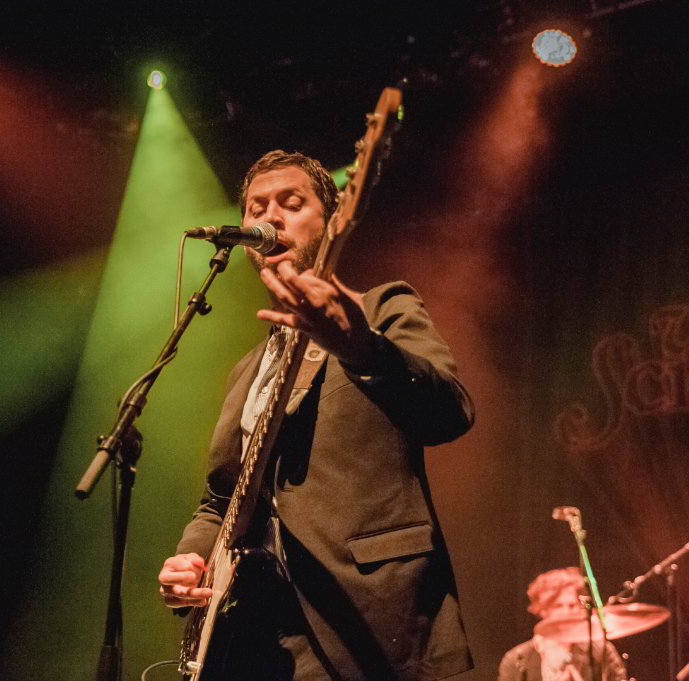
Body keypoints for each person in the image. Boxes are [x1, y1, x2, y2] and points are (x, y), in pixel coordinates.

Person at [158, 150, 475, 680]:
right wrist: (191, 560)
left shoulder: (380, 309)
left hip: (370, 619)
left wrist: (361, 349)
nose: (271, 217)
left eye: (291, 203)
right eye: (257, 207)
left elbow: (450, 411)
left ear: (330, 222)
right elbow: (221, 499)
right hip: (257, 640)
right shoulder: (245, 372)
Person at [498, 568, 627, 681]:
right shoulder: (516, 659)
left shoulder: (601, 651)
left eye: (572, 605)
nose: (566, 612)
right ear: (543, 610)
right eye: (558, 606)